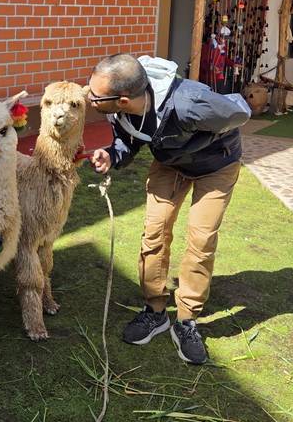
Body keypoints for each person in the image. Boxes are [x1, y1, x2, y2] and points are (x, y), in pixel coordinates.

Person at [89, 54, 250, 365]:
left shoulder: (191, 102)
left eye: (95, 96)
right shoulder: (117, 109)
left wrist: (208, 135)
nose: (89, 98)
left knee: (201, 240)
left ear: (122, 99)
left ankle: (187, 320)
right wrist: (112, 155)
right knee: (154, 232)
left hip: (216, 166)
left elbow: (239, 111)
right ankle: (155, 311)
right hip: (170, 163)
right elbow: (127, 141)